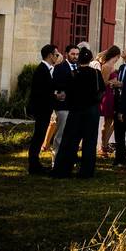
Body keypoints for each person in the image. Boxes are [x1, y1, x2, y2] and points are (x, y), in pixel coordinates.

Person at [52, 47, 105, 178]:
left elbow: (68, 92)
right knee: (90, 142)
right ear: (91, 59)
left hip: (76, 110)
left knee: (70, 141)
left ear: (79, 59)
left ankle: (63, 169)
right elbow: (101, 90)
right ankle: (86, 171)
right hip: (92, 111)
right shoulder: (96, 74)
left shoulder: (74, 74)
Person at [28, 44, 60, 174]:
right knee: (38, 137)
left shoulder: (47, 69)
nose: (57, 57)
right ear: (50, 55)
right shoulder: (42, 70)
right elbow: (41, 92)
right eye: (56, 54)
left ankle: (35, 164)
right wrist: (55, 96)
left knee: (40, 136)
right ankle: (33, 165)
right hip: (41, 108)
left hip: (44, 108)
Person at [50, 44, 79, 167]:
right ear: (67, 54)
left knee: (73, 136)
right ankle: (56, 161)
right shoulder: (60, 68)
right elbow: (56, 85)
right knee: (60, 135)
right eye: (73, 54)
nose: (75, 56)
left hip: (76, 107)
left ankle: (70, 160)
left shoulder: (80, 68)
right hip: (63, 106)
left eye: (77, 54)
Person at [97, 46, 122, 157]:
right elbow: (103, 82)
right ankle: (103, 146)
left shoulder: (112, 66)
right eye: (118, 57)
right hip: (107, 95)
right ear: (115, 55)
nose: (118, 59)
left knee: (112, 121)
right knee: (108, 122)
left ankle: (105, 144)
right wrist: (114, 81)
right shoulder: (106, 66)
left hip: (112, 94)